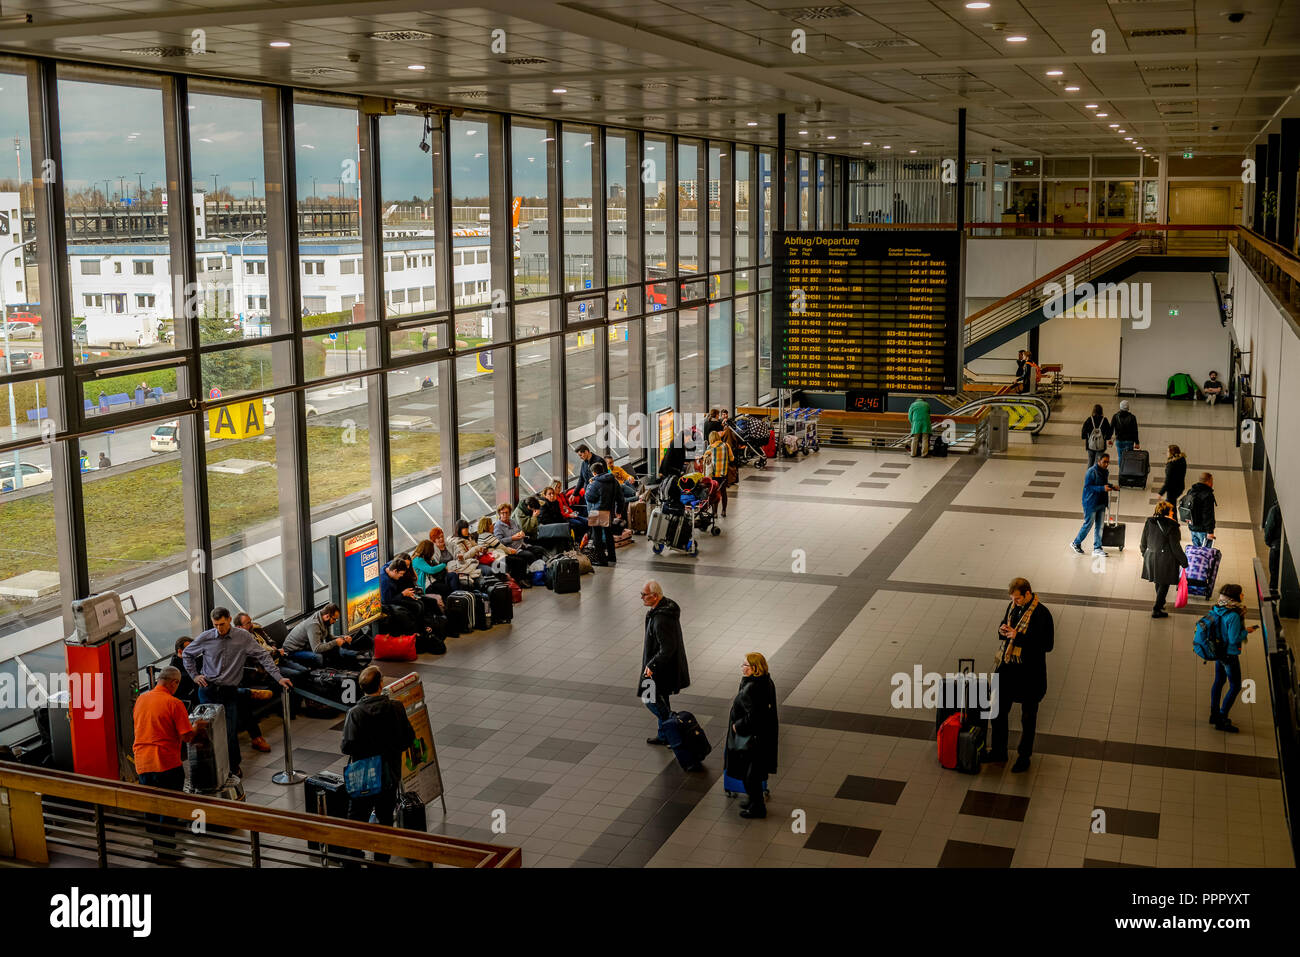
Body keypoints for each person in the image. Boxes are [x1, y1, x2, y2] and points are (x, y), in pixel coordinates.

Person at [182, 607, 291, 778]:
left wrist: (278, 677)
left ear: (229, 619)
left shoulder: (243, 637)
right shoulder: (206, 637)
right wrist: (195, 676)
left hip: (229, 691)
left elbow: (263, 656)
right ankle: (212, 769)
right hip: (208, 690)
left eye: (222, 624)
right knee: (207, 733)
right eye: (216, 625)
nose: (220, 628)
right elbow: (187, 654)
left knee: (230, 731)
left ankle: (233, 767)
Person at [340, 665, 416, 864]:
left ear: (361, 687)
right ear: (381, 684)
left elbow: (346, 747)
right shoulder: (397, 708)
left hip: (363, 777)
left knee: (356, 820)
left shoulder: (355, 713)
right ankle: (382, 860)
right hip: (389, 775)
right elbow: (409, 738)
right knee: (385, 819)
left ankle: (354, 859)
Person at [983, 578, 1054, 773]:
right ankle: (999, 751)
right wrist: (1002, 630)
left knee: (1028, 717)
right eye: (1012, 599)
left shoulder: (1042, 614)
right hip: (1008, 668)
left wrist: (1019, 637)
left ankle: (1024, 757)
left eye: (1017, 599)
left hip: (1030, 673)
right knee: (997, 711)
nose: (1014, 602)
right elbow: (1006, 625)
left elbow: (1047, 645)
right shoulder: (1013, 607)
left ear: (1028, 593)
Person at [132, 665, 196, 859]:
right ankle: (166, 852)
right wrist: (197, 727)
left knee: (151, 807)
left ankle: (157, 847)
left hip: (143, 762)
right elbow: (187, 737)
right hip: (166, 763)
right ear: (174, 683)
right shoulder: (174, 703)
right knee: (169, 807)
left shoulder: (141, 699)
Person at [639, 581, 695, 768]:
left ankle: (671, 725)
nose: (642, 597)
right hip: (666, 668)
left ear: (655, 596)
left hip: (659, 668)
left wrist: (652, 665)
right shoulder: (663, 609)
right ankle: (664, 734)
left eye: (644, 594)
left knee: (649, 699)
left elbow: (667, 648)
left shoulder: (661, 618)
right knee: (661, 696)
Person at [726, 652, 778, 819]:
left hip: (754, 740)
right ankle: (753, 801)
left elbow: (754, 716)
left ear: (755, 668)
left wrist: (737, 726)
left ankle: (757, 808)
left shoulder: (752, 688)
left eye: (745, 665)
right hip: (764, 737)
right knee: (753, 773)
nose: (742, 668)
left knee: (751, 776)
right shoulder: (766, 682)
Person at [1207, 584, 1258, 733]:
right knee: (1235, 686)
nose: (1243, 596)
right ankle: (1222, 718)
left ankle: (1214, 714)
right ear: (1235, 597)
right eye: (1241, 594)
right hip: (1229, 654)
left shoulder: (1218, 607)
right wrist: (1246, 631)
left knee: (1218, 681)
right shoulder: (1234, 615)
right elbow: (1234, 638)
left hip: (1218, 650)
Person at [1141, 501, 1188, 618]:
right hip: (1165, 558)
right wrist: (1184, 561)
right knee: (1164, 583)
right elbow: (1175, 547)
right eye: (1172, 511)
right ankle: (1157, 609)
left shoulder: (1150, 521)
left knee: (1158, 581)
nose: (1173, 513)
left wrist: (1145, 553)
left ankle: (1160, 603)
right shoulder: (1172, 526)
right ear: (1169, 512)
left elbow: (1143, 541)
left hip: (1151, 556)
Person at [284, 603, 359, 667]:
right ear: (327, 616)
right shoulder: (313, 625)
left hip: (305, 647)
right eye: (334, 619)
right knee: (318, 657)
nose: (335, 621)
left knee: (333, 648)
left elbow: (328, 637)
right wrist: (335, 642)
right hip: (292, 651)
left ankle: (355, 658)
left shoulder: (323, 619)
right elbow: (317, 649)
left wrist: (342, 637)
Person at [1071, 452, 1116, 557]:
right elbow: (1088, 487)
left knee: (1100, 526)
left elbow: (1102, 484)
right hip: (1090, 503)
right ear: (1099, 461)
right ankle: (1076, 543)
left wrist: (1112, 486)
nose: (1106, 464)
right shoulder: (1091, 472)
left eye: (1108, 462)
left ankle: (1097, 548)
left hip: (1101, 502)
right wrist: (1102, 488)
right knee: (1088, 524)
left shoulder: (1105, 471)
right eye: (1104, 462)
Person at [584, 461, 620, 566]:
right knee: (609, 535)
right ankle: (612, 557)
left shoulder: (594, 483)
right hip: (609, 511)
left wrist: (589, 485)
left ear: (594, 473)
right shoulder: (613, 481)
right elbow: (620, 497)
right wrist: (619, 510)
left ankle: (602, 560)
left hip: (596, 511)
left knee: (597, 537)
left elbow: (589, 497)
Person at [476, 515, 532, 581]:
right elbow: (500, 546)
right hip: (493, 556)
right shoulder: (487, 536)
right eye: (491, 524)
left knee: (516, 559)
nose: (493, 525)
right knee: (519, 560)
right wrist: (510, 551)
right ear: (487, 526)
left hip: (493, 555)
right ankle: (519, 580)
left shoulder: (482, 535)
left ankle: (517, 579)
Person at [493, 503, 545, 574]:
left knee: (539, 550)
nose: (504, 515)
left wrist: (522, 533)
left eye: (506, 513)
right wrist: (512, 538)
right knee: (529, 555)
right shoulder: (498, 526)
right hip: (513, 549)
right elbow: (499, 541)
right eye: (502, 513)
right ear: (499, 513)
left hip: (522, 545)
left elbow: (519, 530)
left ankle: (538, 571)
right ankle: (536, 573)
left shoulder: (512, 521)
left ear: (509, 513)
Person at [702, 429, 733, 517]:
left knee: (714, 493)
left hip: (714, 474)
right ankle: (723, 511)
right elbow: (732, 458)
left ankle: (714, 512)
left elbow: (704, 458)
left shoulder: (710, 447)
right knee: (724, 492)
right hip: (723, 474)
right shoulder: (726, 445)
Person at [1181, 472, 1217, 548]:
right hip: (1203, 530)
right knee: (1205, 554)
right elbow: (1208, 514)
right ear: (1208, 482)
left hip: (1192, 528)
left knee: (1197, 553)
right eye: (1211, 481)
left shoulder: (1191, 491)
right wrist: (1210, 531)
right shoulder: (1208, 495)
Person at [447, 520, 486, 585]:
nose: (467, 530)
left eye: (467, 528)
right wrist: (475, 549)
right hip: (467, 565)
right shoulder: (457, 542)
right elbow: (463, 557)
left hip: (475, 561)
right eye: (465, 528)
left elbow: (475, 547)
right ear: (459, 530)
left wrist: (480, 549)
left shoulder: (469, 538)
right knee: (486, 572)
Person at [169, 637, 199, 710]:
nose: (194, 652)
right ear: (180, 651)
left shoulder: (193, 661)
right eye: (190, 649)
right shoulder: (175, 672)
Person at [1080, 403, 1113, 467]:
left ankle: (1089, 476)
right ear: (1101, 411)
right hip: (1101, 446)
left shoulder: (1089, 419)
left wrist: (1088, 437)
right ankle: (1096, 476)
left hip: (1090, 446)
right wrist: (1105, 438)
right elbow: (1109, 433)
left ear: (1093, 411)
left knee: (1090, 462)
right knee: (1097, 464)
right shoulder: (1104, 420)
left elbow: (1083, 433)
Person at [1111, 400, 1140, 470]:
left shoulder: (1115, 416)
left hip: (1119, 441)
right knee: (1129, 457)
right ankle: (1128, 471)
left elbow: (1111, 428)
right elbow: (1135, 431)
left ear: (1120, 407)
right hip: (1129, 441)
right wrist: (1137, 442)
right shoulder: (1132, 417)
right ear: (1128, 408)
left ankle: (1121, 471)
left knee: (1120, 456)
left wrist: (1110, 439)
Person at [1264, 502, 1282, 595]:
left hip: (1276, 546)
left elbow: (1269, 528)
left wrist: (1268, 542)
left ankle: (1273, 595)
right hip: (1280, 544)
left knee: (1274, 572)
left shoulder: (1275, 509)